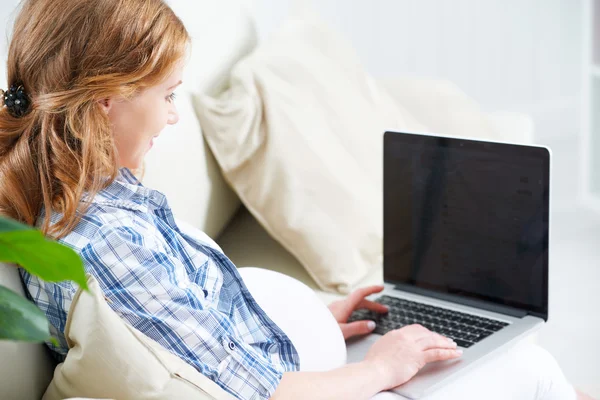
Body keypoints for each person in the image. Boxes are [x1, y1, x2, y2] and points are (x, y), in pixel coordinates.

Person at [0, 1, 593, 399]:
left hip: (305, 350)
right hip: (310, 387)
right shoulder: (105, 243)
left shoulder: (98, 200)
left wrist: (317, 318)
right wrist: (382, 369)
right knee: (532, 369)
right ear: (109, 99)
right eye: (169, 95)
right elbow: (263, 392)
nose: (176, 115)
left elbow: (196, 322)